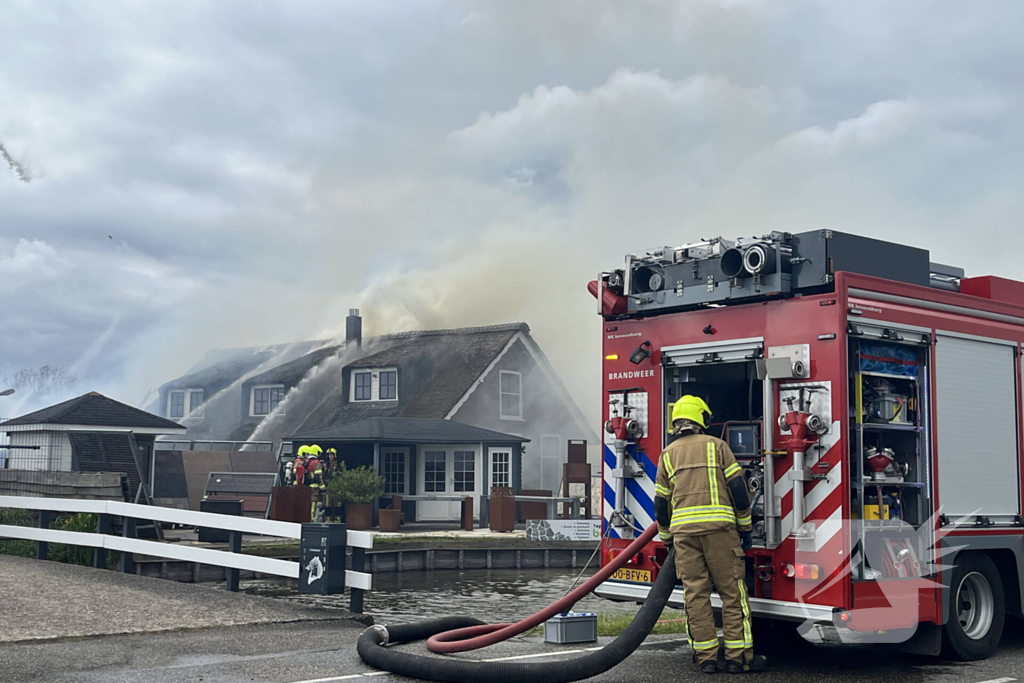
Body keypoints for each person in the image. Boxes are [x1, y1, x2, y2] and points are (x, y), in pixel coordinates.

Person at [654, 395, 766, 674]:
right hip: (720, 531)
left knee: (695, 595)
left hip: (684, 536)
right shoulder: (718, 446)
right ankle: (737, 658)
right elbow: (738, 490)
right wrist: (745, 527)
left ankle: (706, 658)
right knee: (732, 593)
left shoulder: (666, 454)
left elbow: (661, 503)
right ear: (702, 418)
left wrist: (667, 538)